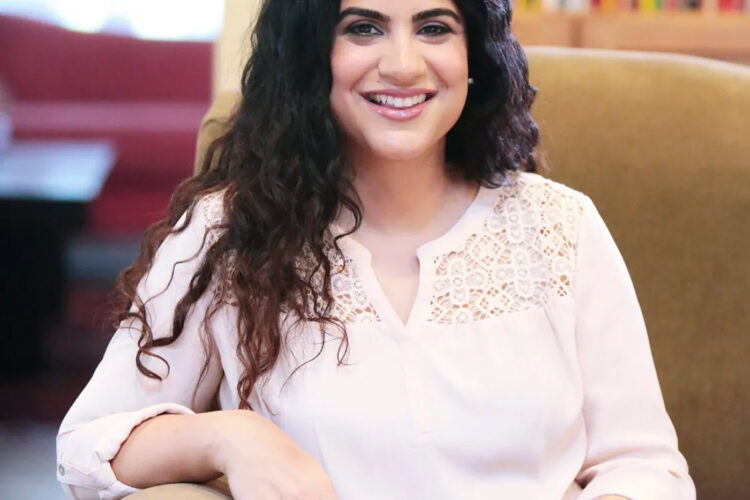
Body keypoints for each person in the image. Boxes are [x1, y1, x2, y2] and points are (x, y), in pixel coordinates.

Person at [56, 0, 696, 499]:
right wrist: (229, 437)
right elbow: (87, 447)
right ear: (312, 54)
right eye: (363, 28)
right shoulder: (230, 232)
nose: (403, 65)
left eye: (434, 28)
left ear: (475, 54)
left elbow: (642, 463)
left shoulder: (562, 226)